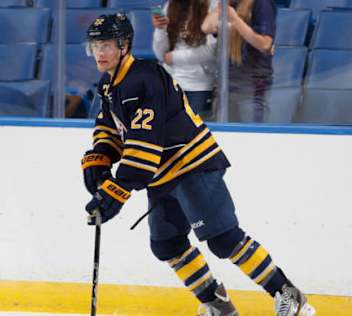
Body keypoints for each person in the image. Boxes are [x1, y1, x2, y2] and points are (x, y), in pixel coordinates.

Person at [80, 13, 315, 316]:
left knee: (223, 239)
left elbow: (144, 145)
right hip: (162, 174)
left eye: (107, 45)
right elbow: (110, 129)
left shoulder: (145, 78)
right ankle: (218, 305)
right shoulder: (109, 84)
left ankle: (290, 296)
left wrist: (116, 191)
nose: (99, 53)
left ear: (124, 45)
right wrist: (98, 159)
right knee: (167, 244)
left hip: (192, 165)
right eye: (95, 46)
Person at [201, 0, 276, 122]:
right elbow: (206, 27)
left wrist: (235, 20)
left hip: (252, 88)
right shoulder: (229, 5)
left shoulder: (261, 4)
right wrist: (221, 8)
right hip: (227, 86)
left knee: (252, 135)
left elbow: (265, 44)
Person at [152, 0, 218, 119]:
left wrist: (175, 58)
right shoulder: (171, 5)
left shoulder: (213, 4)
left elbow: (213, 50)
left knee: (195, 133)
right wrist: (160, 29)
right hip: (171, 83)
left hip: (198, 86)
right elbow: (160, 54)